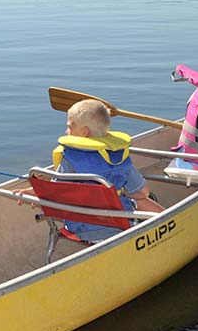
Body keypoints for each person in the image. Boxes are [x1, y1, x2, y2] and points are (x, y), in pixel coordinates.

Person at [48, 99, 163, 242]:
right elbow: (142, 192)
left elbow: (53, 191)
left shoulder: (70, 158)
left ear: (84, 132)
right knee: (140, 196)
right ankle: (170, 221)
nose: (66, 131)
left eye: (70, 127)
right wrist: (125, 191)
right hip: (119, 226)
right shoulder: (118, 157)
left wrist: (32, 190)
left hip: (80, 228)